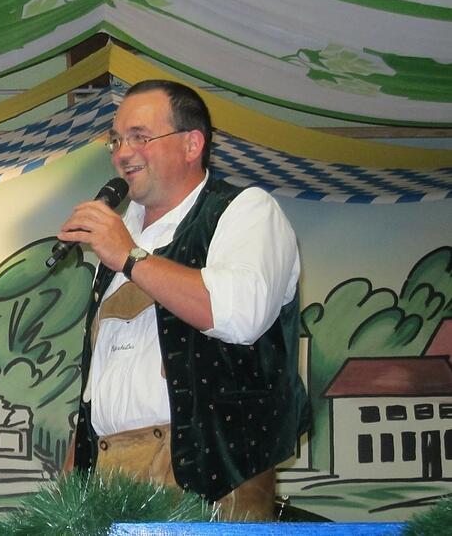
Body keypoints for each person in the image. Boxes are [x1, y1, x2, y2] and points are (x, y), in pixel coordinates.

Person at [59, 79, 309, 520]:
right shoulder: (125, 234)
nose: (122, 152)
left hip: (205, 480)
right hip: (106, 473)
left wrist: (131, 257)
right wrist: (72, 479)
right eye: (116, 140)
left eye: (140, 137)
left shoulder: (245, 211)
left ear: (192, 143)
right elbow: (101, 379)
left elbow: (240, 316)